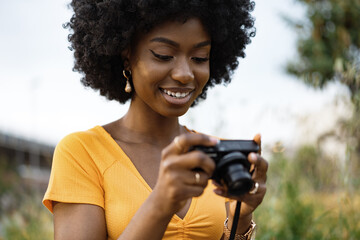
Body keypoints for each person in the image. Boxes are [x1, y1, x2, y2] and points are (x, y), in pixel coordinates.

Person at [43, 0, 268, 239]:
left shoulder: (217, 154)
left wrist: (239, 221)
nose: (185, 73)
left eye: (200, 58)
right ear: (126, 55)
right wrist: (161, 203)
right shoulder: (83, 153)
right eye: (164, 55)